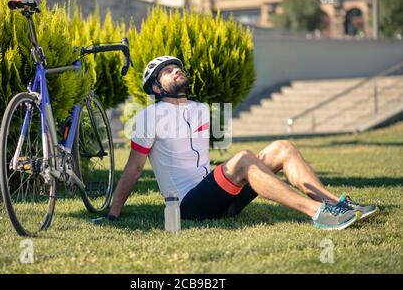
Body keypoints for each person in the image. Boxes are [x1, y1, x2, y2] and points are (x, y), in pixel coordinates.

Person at [106, 56, 377, 230]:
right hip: (188, 205)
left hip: (219, 199)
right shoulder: (148, 117)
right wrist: (113, 214)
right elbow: (134, 169)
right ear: (156, 88)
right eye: (167, 71)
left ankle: (337, 204)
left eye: (177, 67)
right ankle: (320, 214)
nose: (176, 71)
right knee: (245, 159)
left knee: (283, 148)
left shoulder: (200, 109)